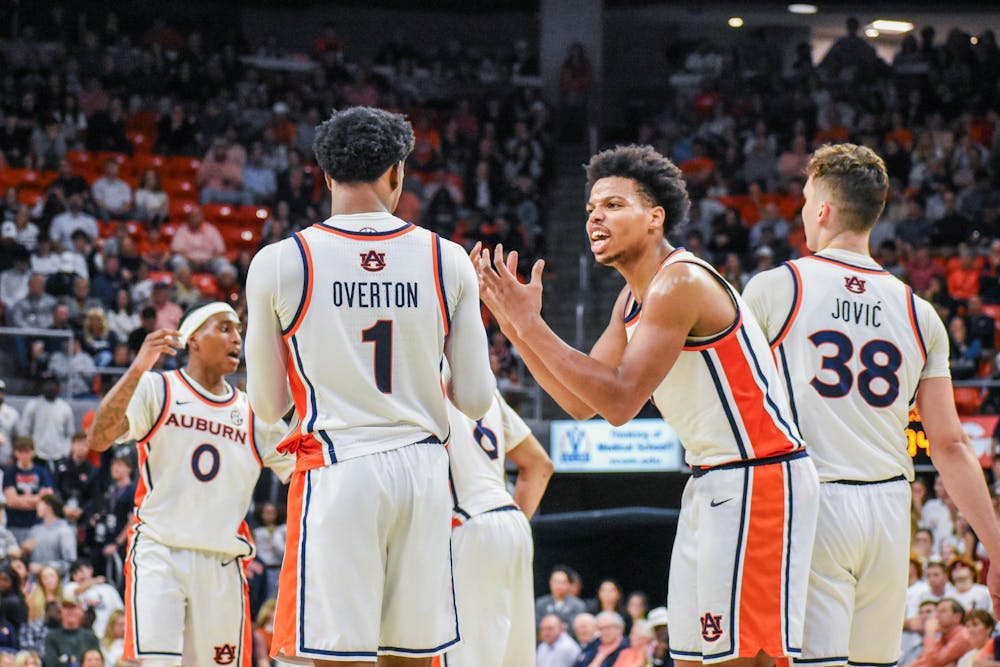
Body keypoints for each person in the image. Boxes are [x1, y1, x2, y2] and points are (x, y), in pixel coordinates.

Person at [474, 143, 819, 664]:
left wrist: (528, 323)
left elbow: (619, 400)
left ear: (655, 217)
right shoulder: (630, 298)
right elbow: (580, 403)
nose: (595, 217)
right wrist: (513, 325)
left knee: (743, 658)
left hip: (759, 477)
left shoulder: (680, 281)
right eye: (591, 208)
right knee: (690, 655)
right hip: (711, 479)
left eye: (613, 205)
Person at [244, 106, 495, 667]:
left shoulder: (280, 261)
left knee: (337, 657)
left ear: (326, 175)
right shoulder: (448, 258)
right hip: (424, 471)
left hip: (339, 467)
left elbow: (267, 404)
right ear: (397, 172)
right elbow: (477, 400)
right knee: (412, 655)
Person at [741, 143, 1000, 667]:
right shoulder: (919, 312)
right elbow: (950, 445)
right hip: (888, 509)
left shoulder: (776, 287)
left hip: (813, 499)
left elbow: (737, 405)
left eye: (804, 200)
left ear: (822, 209)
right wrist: (996, 546)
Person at [87, 301, 294, 666]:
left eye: (239, 331)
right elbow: (99, 437)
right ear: (193, 339)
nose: (237, 338)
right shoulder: (157, 388)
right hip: (160, 552)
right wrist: (138, 367)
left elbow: (302, 473)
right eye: (225, 328)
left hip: (223, 562)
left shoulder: (253, 413)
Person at [441, 387, 553, 667]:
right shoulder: (486, 388)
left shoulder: (425, 374)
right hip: (512, 522)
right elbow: (540, 465)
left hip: (467, 522)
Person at [3, 438, 55, 544]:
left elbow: (48, 498)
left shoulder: (42, 472)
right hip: (15, 525)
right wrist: (37, 499)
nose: (24, 455)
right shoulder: (9, 472)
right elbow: (11, 501)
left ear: (33, 452)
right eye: (20, 452)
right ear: (15, 453)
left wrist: (21, 500)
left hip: (37, 525)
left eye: (27, 451)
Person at [910, 599, 973, 667]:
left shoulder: (963, 636)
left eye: (943, 611)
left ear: (957, 617)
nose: (937, 616)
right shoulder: (945, 636)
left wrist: (930, 633)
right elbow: (923, 661)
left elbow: (933, 662)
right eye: (937, 611)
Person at [42, 594, 100, 667]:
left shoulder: (90, 638)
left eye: (73, 607)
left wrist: (66, 660)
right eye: (66, 608)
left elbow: (97, 662)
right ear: (61, 611)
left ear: (81, 611)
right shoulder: (52, 638)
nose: (70, 611)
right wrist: (71, 660)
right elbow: (51, 664)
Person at [536, 566, 588, 630]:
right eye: (555, 581)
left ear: (568, 584)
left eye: (562, 582)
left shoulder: (578, 605)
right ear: (550, 583)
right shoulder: (540, 603)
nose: (558, 585)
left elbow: (578, 627)